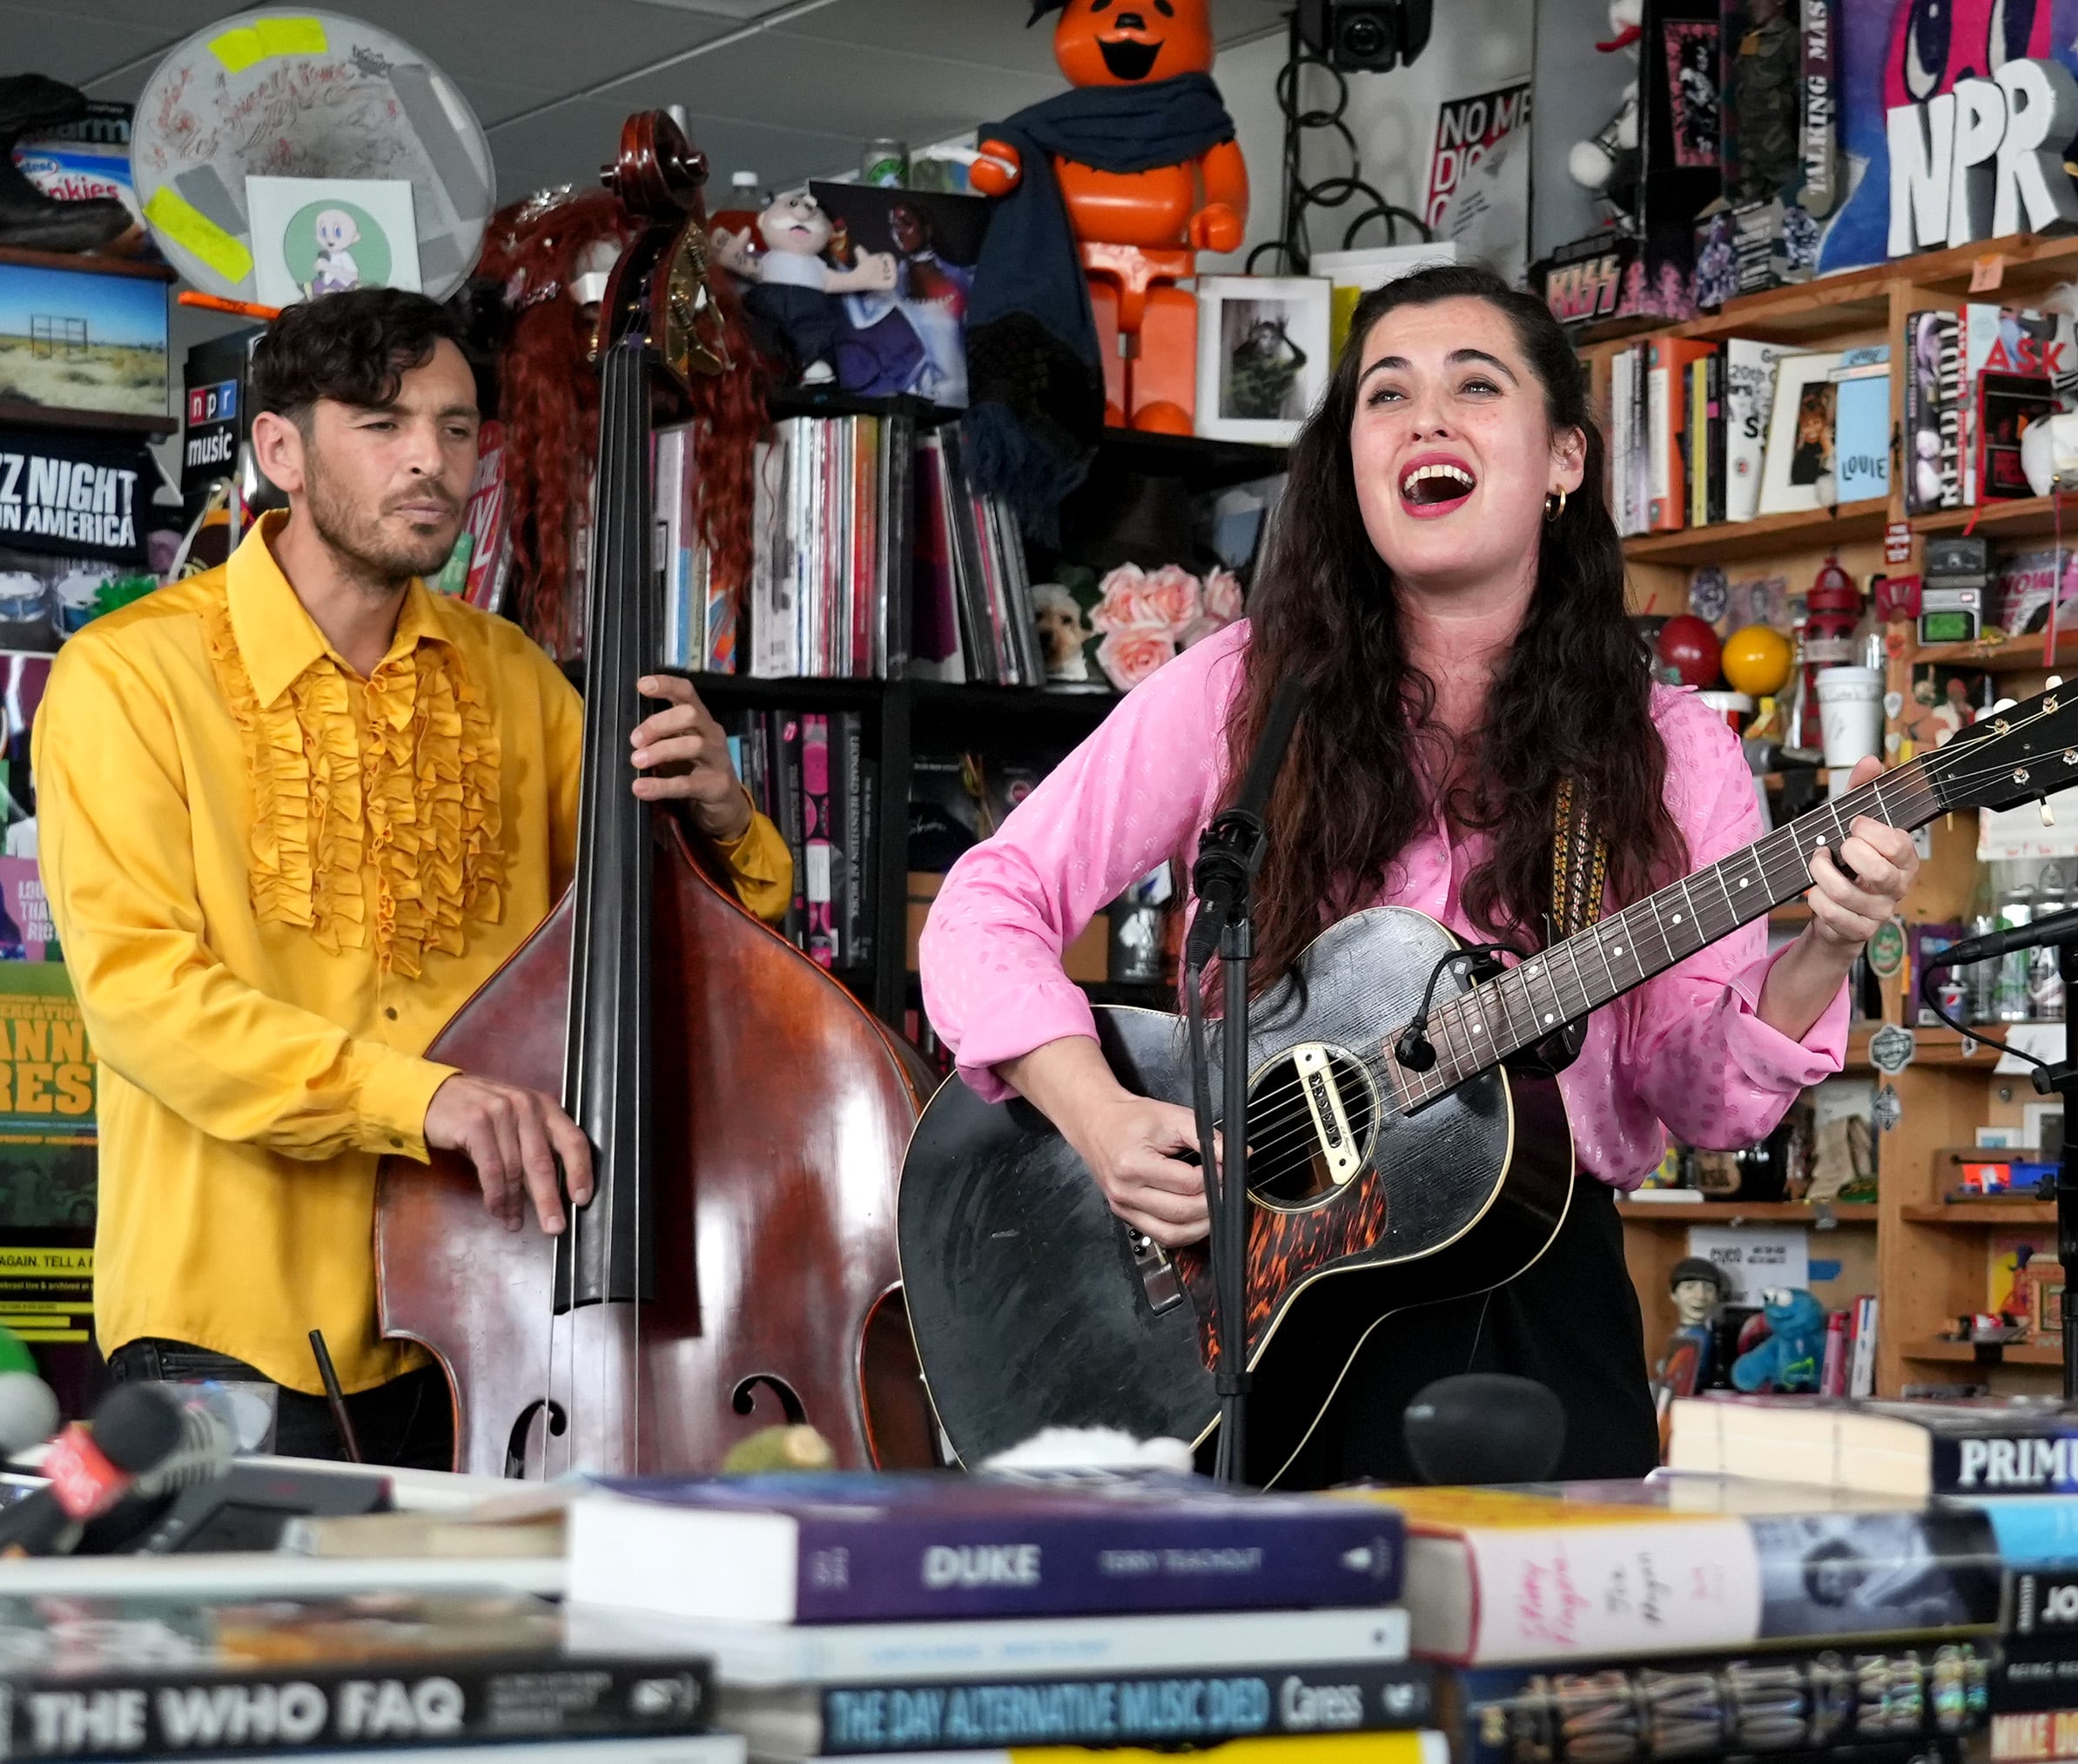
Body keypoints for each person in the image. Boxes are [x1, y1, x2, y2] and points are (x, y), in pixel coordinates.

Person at [922, 264, 1918, 1485]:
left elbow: (1699, 1098)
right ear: (1351, 462)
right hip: (1254, 1301)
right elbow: (983, 905)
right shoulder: (1242, 689)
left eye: (1476, 386)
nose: (1426, 419)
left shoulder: (1668, 749)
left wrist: (1819, 945)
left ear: (1564, 460)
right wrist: (1102, 1113)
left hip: (1537, 1299)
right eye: (1386, 395)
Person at [34, 289, 794, 1467]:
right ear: (279, 448)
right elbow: (144, 998)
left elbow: (686, 967)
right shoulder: (129, 676)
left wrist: (726, 817)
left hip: (490, 1326)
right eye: (383, 425)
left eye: (456, 426)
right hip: (232, 1333)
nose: (431, 461)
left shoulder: (521, 682)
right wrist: (420, 1098)